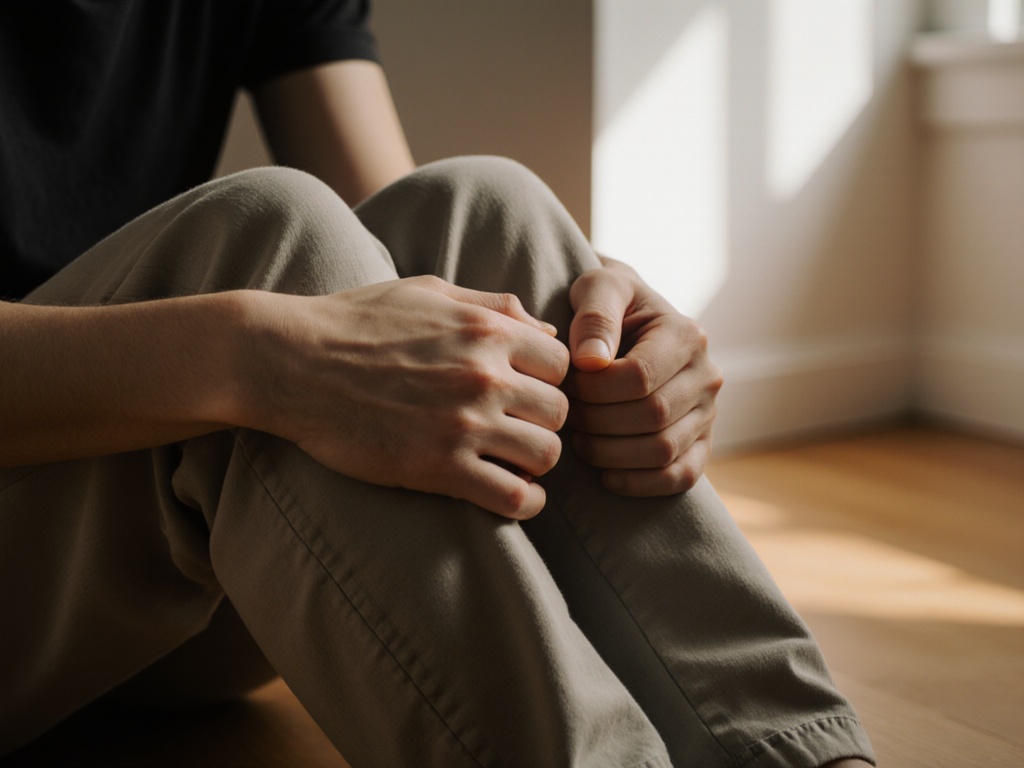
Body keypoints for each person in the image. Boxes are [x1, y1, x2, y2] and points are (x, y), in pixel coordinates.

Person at [0, 1, 875, 766]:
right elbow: (293, 257)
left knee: (487, 207)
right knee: (269, 229)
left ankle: (801, 758)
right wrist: (258, 354)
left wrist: (608, 322)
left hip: (152, 589)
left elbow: (412, 252)